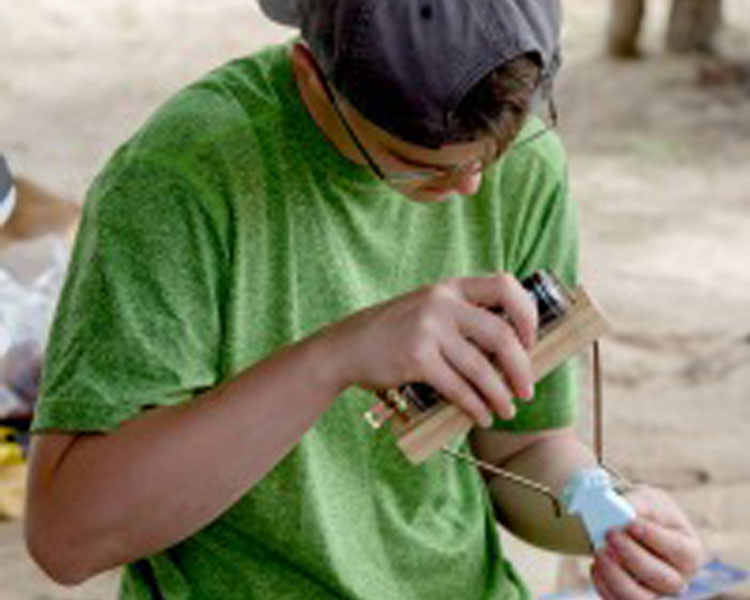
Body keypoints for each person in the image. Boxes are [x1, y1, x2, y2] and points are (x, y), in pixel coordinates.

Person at [24, 1, 704, 598]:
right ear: (309, 80)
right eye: (417, 163)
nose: (469, 188)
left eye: (488, 157)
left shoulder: (523, 159)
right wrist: (338, 357)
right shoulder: (180, 180)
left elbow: (521, 449)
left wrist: (611, 515)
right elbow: (69, 537)